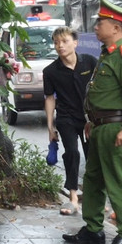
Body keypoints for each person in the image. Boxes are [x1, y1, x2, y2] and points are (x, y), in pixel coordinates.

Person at [63, 0, 122, 244]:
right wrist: (92, 119)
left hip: (114, 128)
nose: (96, 26)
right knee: (94, 179)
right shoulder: (108, 52)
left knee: (117, 181)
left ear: (117, 28)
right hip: (98, 126)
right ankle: (94, 229)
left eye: (101, 22)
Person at [43, 26, 97, 216]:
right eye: (57, 42)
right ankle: (72, 197)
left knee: (93, 156)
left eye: (64, 41)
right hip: (66, 117)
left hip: (89, 118)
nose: (60, 46)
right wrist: (50, 127)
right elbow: (49, 98)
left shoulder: (89, 62)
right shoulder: (50, 71)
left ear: (75, 42)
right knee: (72, 153)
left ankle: (94, 197)